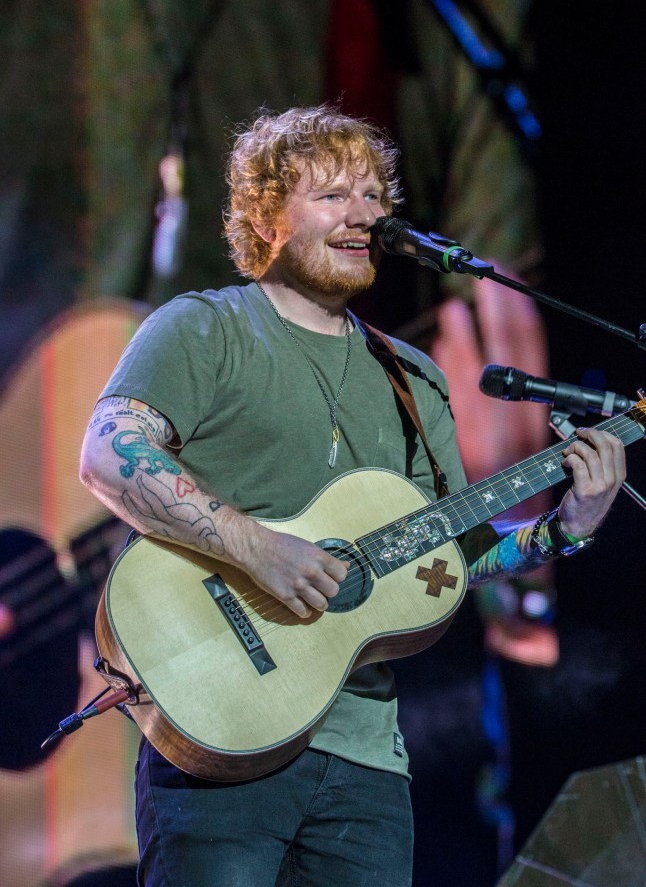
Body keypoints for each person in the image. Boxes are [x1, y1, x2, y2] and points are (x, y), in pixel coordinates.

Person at [79, 104, 626, 886]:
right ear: (265, 216)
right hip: (221, 731)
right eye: (333, 194)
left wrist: (564, 530)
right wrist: (256, 548)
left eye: (373, 196)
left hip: (368, 765)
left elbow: (453, 556)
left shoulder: (414, 379)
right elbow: (108, 453)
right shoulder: (202, 329)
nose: (364, 214)